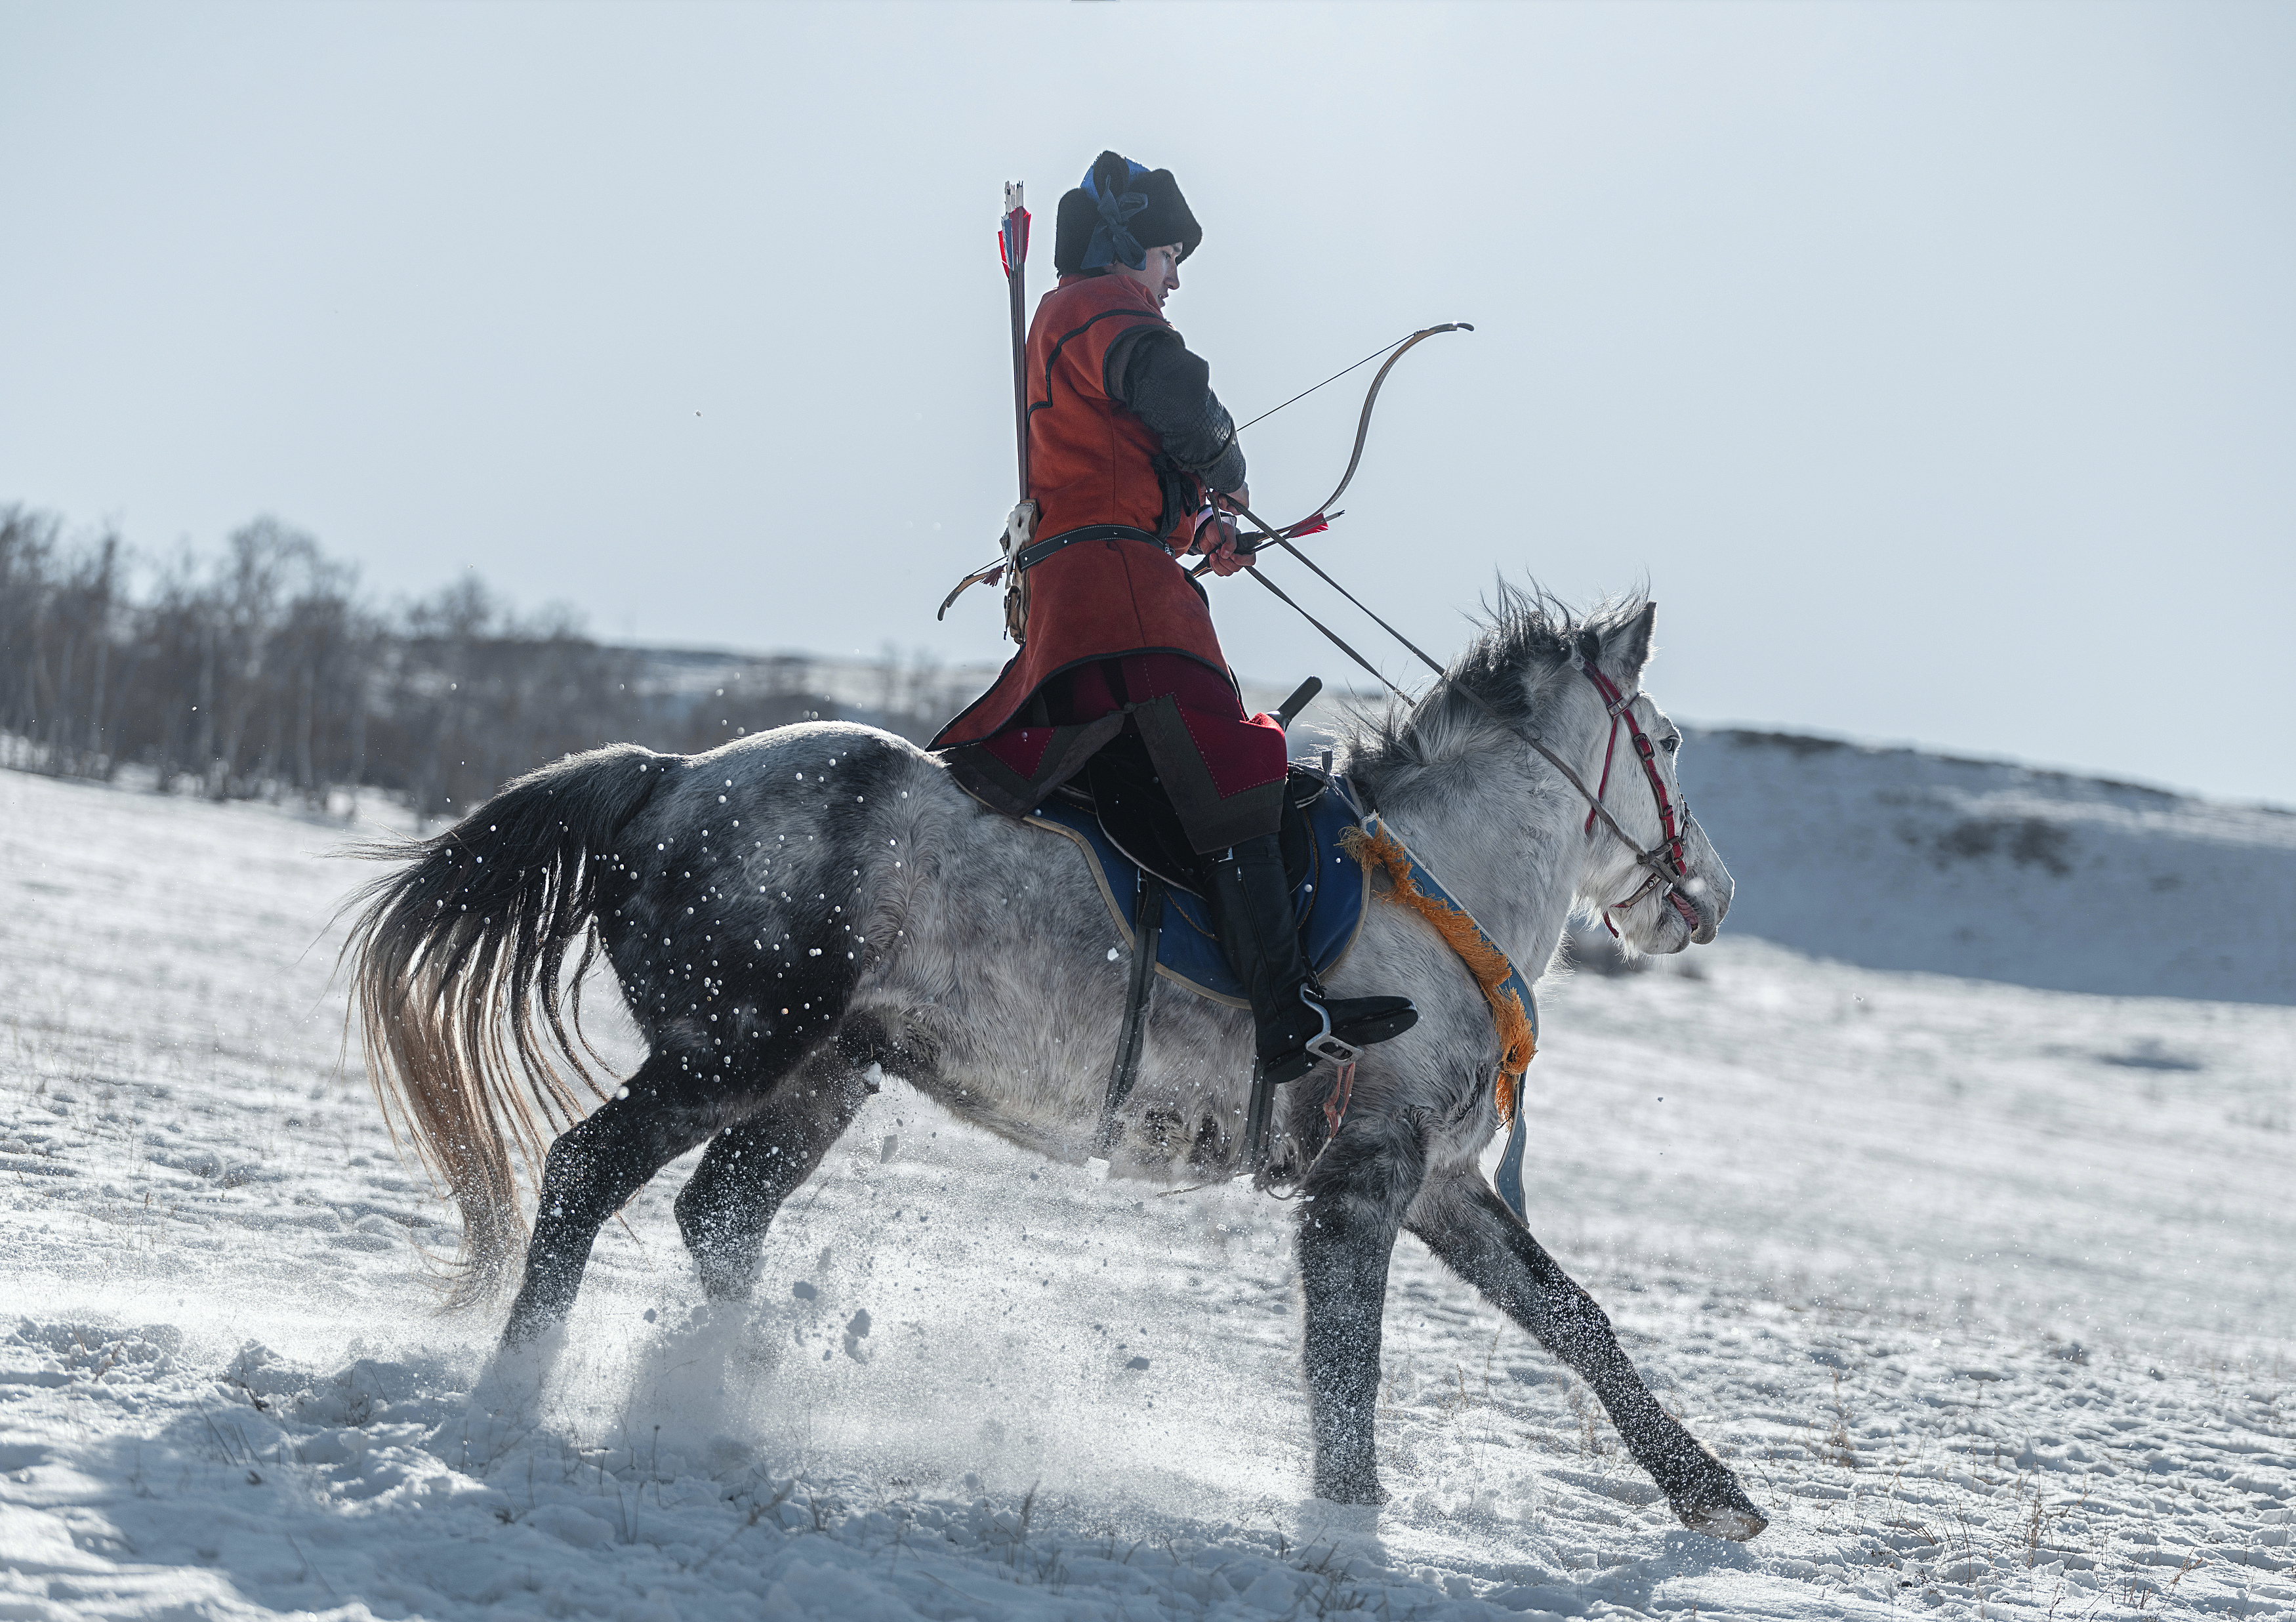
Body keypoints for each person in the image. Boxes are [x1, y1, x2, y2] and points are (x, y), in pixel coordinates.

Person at [935, 150, 1416, 1087]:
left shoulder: (1069, 318)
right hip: (1123, 603)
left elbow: (1109, 472)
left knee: (1178, 802)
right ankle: (1286, 1014)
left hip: (1096, 584)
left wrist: (1199, 526)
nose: (1174, 278)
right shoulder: (1100, 303)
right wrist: (1228, 471)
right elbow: (1176, 393)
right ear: (1126, 249)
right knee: (1240, 768)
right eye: (1166, 254)